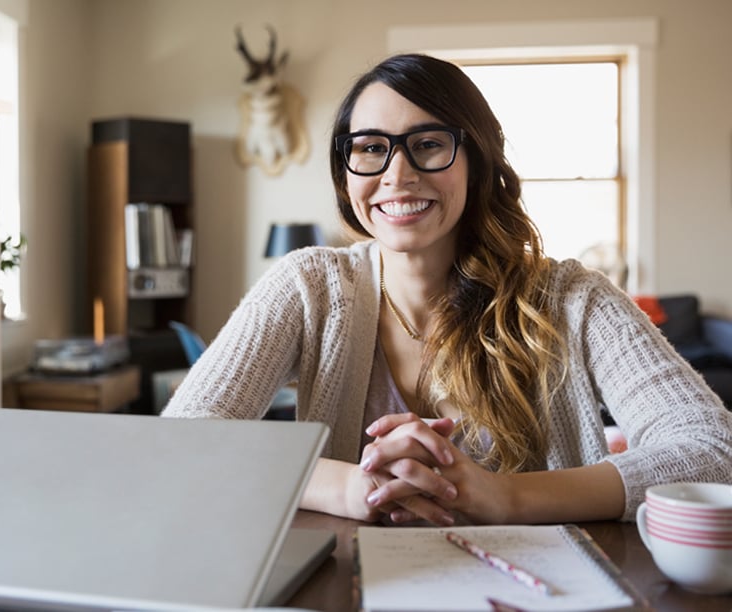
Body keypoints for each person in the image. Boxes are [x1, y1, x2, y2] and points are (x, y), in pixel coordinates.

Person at [162, 53, 732, 526]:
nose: (398, 174)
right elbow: (182, 442)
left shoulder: (570, 297)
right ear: (345, 173)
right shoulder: (309, 285)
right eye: (369, 147)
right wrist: (349, 488)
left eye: (428, 143)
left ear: (477, 162)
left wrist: (503, 496)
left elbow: (712, 451)